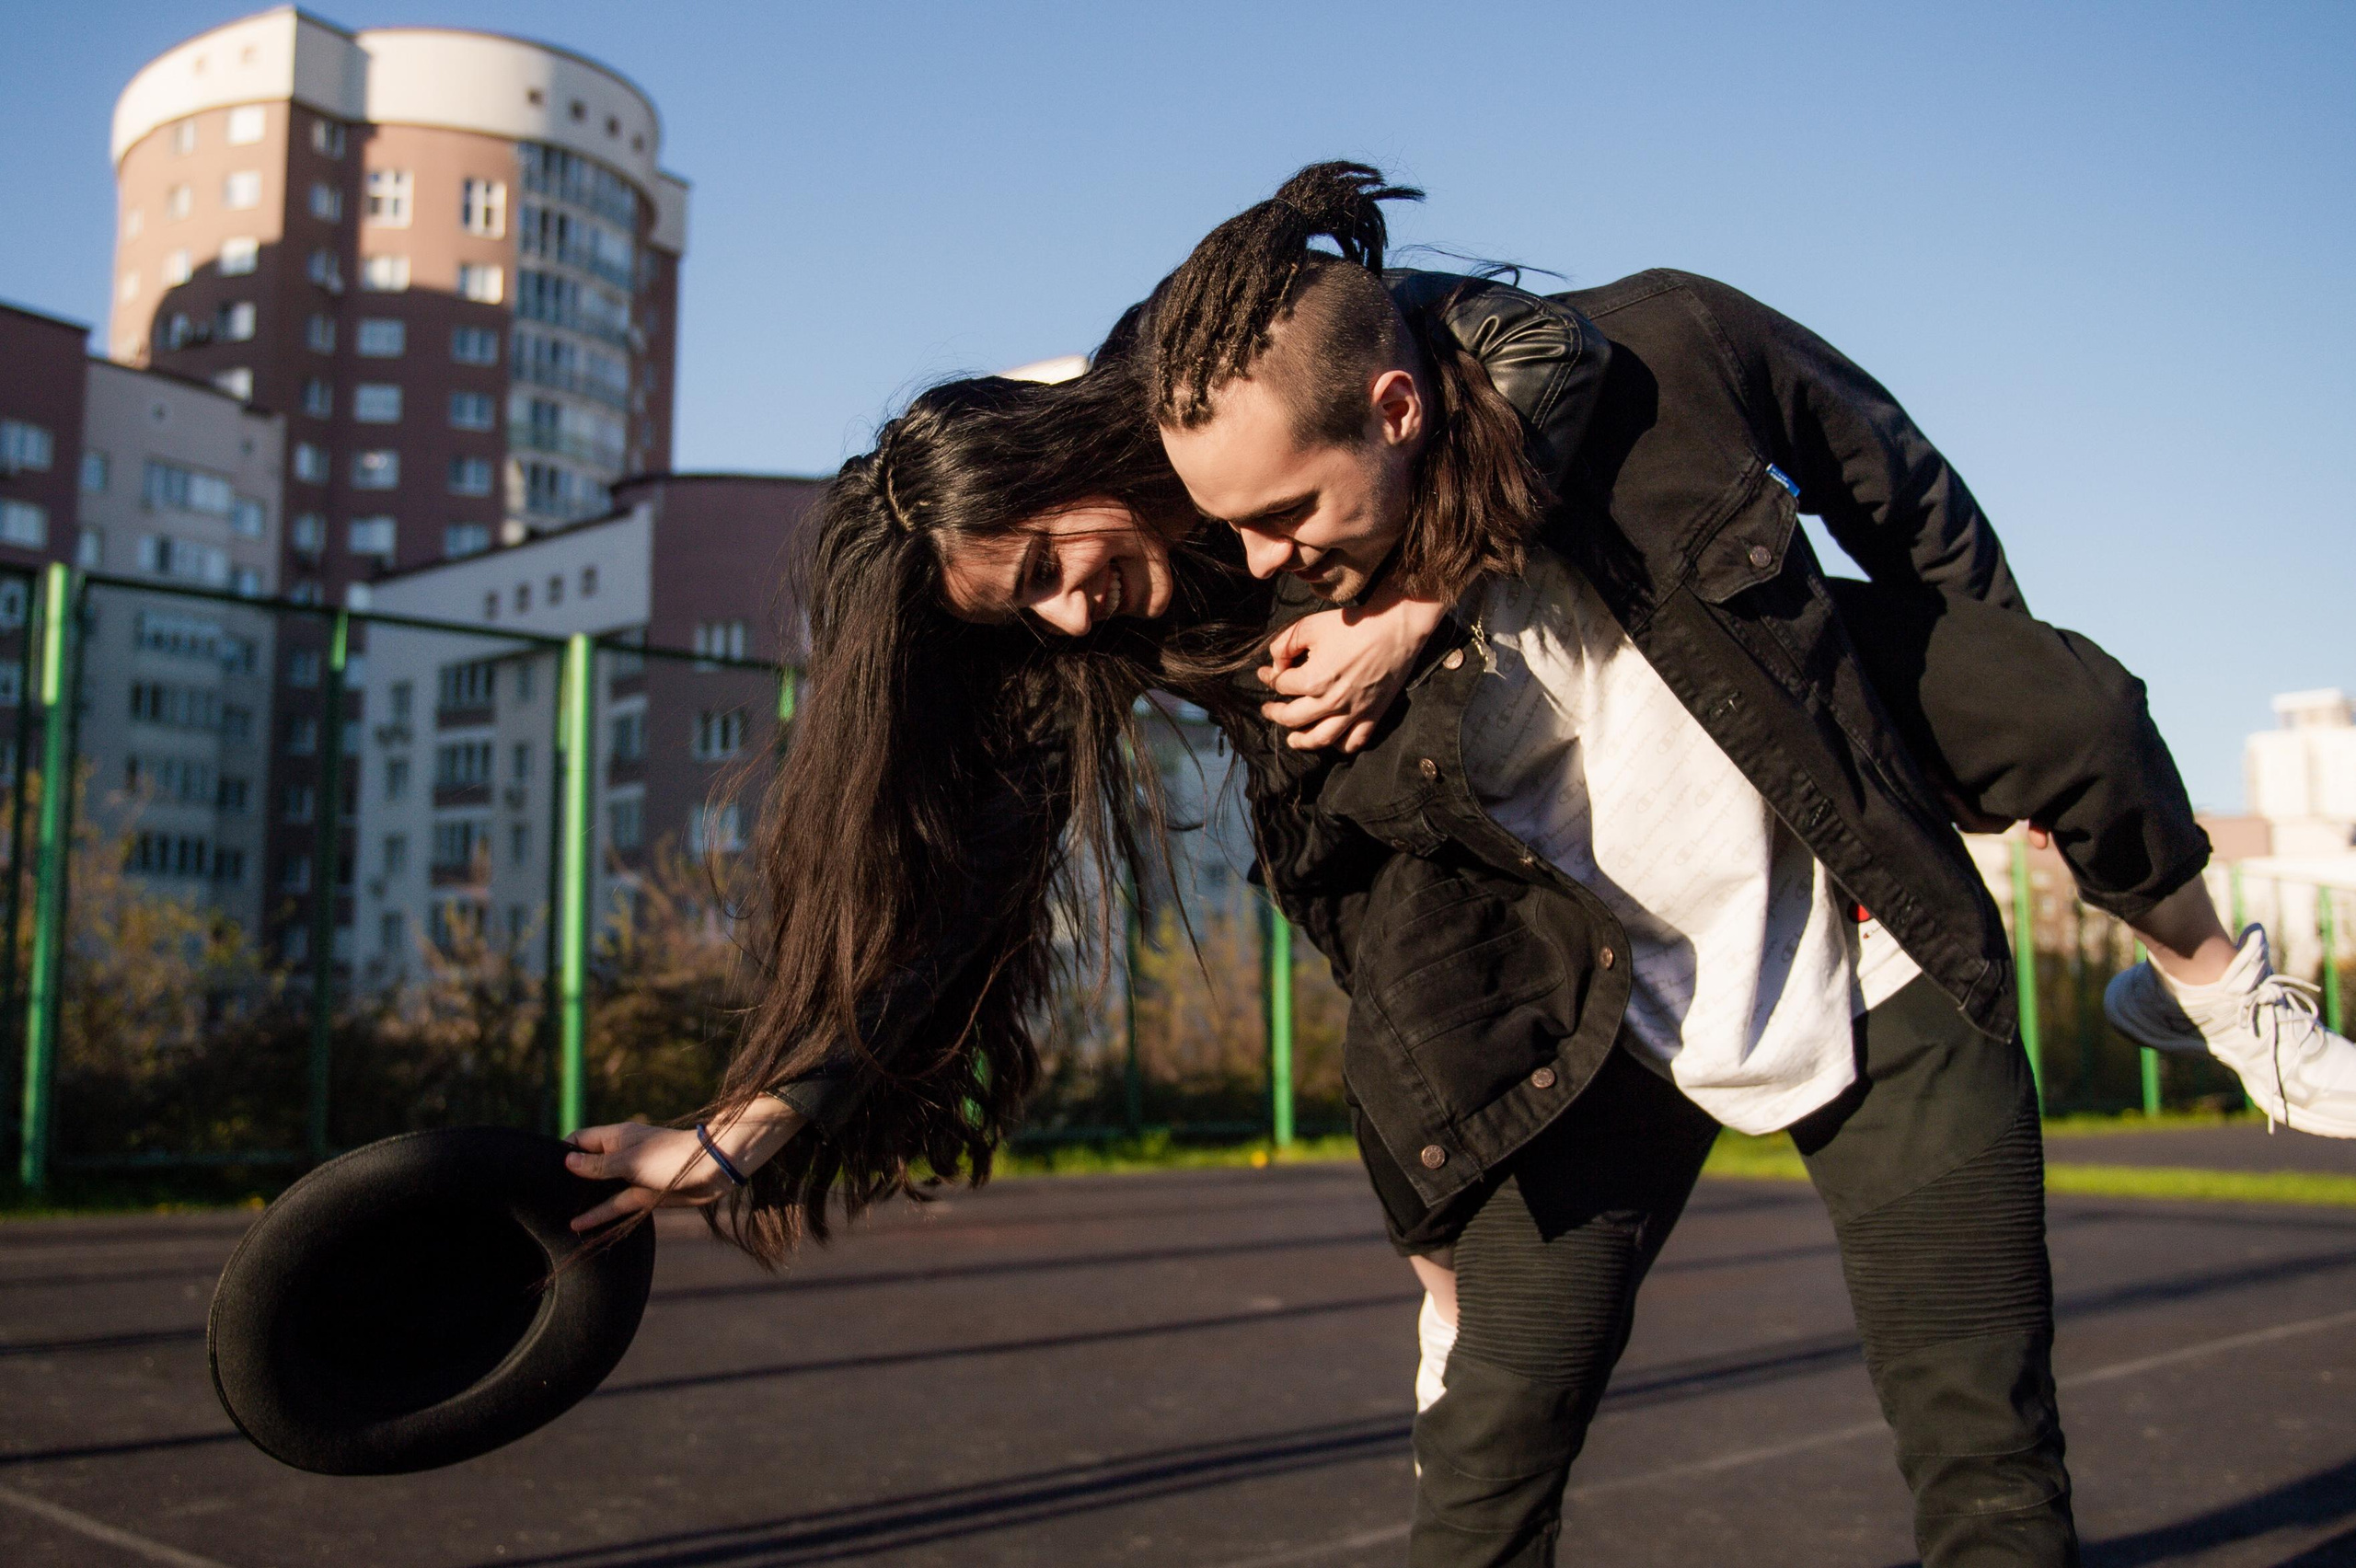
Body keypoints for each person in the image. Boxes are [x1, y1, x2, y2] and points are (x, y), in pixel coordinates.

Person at [564, 166, 2356, 1564]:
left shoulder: (1291, 377)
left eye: (1043, 553)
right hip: (1555, 1004)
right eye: (1016, 610)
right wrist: (759, 1123)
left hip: (1847, 937)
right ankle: (1449, 1273)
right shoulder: (1156, 606)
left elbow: (1530, 352)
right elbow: (953, 883)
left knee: (1985, 1449)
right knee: (1487, 1449)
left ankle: (2214, 989)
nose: (1063, 607)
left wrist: (1416, 589)